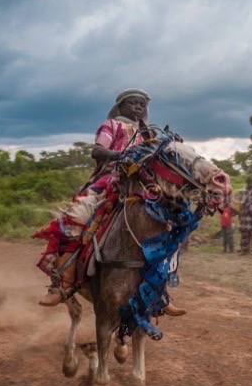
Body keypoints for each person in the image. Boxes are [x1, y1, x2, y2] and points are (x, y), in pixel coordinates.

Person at [34, 89, 185, 315]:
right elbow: (97, 150)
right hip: (108, 183)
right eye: (133, 103)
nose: (138, 108)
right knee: (74, 221)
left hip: (142, 187)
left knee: (168, 230)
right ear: (120, 107)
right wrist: (120, 156)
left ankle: (160, 293)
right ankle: (61, 284)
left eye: (142, 104)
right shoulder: (111, 125)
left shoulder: (148, 134)